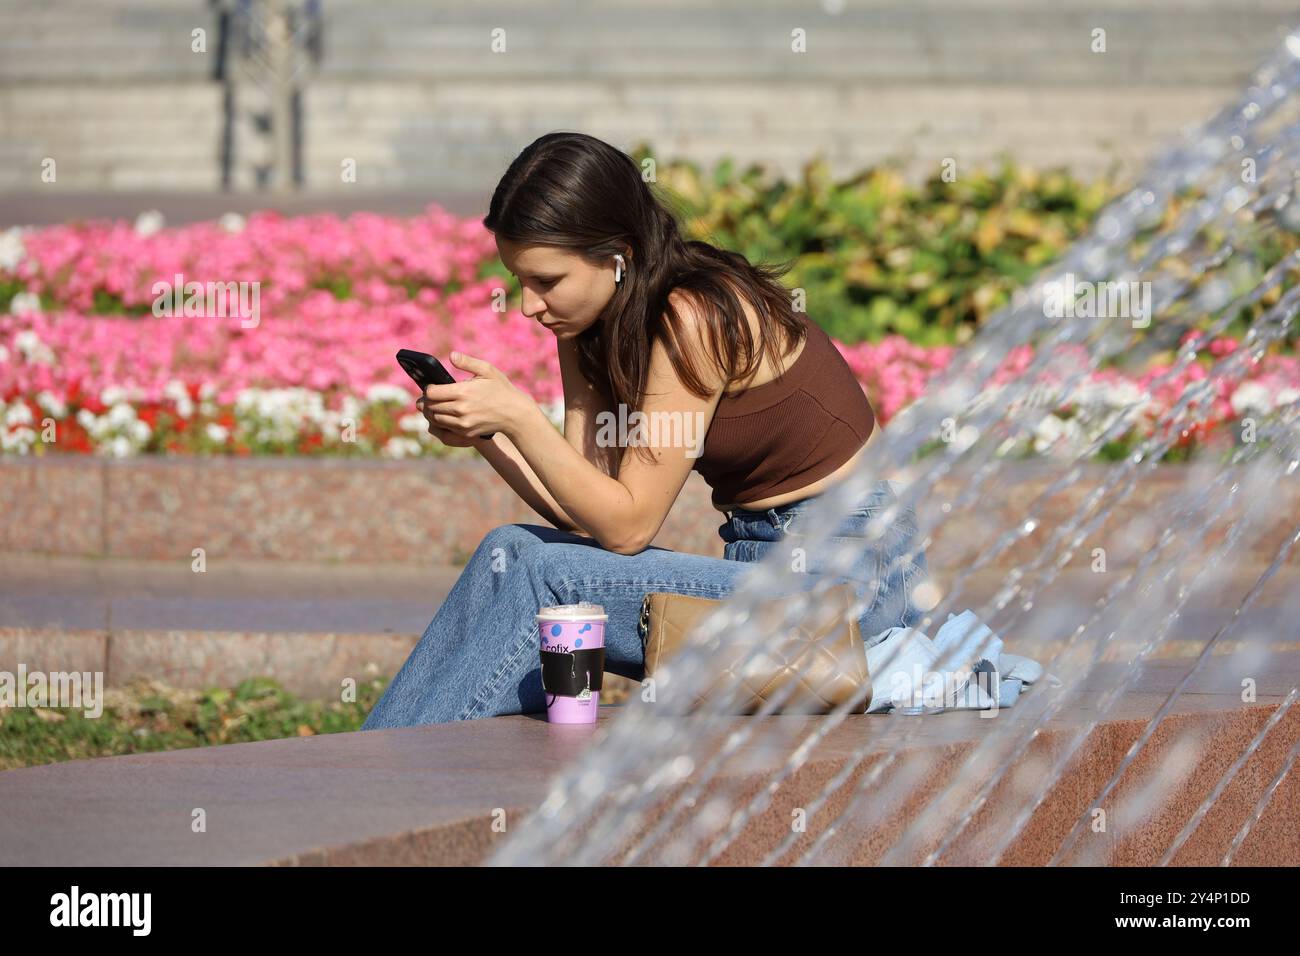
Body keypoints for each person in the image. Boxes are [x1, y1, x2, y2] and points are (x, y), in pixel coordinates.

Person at [360, 131, 931, 729]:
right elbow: (583, 514)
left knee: (540, 573)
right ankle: (382, 761)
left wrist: (522, 419)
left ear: (618, 256)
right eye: (519, 280)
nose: (528, 305)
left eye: (546, 281)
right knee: (511, 550)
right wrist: (488, 436)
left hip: (849, 601)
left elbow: (629, 528)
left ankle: (388, 771)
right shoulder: (590, 325)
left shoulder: (696, 317)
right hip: (759, 568)